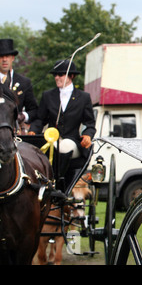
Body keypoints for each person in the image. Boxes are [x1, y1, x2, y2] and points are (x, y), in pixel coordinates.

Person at [29, 59, 96, 188]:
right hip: (51, 140)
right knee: (50, 146)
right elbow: (39, 119)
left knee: (64, 146)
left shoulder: (83, 97)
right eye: (55, 75)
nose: (57, 77)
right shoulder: (48, 96)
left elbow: (89, 123)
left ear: (71, 76)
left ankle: (59, 182)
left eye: (60, 74)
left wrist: (88, 135)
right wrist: (33, 129)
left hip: (73, 142)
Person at [0, 38, 38, 130]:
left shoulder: (24, 82)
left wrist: (23, 115)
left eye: (7, 56)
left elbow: (34, 110)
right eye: (1, 56)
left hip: (16, 131)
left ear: (13, 58)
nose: (4, 59)